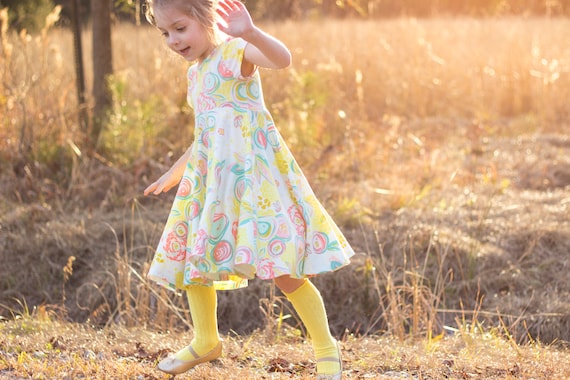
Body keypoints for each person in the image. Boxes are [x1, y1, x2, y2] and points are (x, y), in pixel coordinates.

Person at [143, 0, 355, 378]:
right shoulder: (195, 74)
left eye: (180, 28)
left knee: (283, 269)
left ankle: (326, 348)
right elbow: (204, 135)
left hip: (255, 184)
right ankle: (206, 341)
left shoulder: (235, 52)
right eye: (165, 33)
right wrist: (174, 174)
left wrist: (251, 32)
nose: (173, 40)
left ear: (207, 19)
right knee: (196, 259)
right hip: (213, 185)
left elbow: (282, 59)